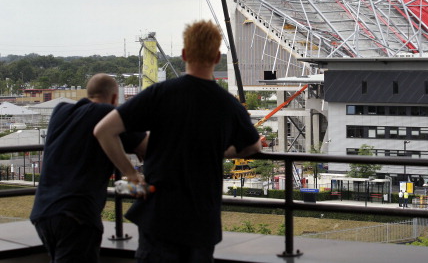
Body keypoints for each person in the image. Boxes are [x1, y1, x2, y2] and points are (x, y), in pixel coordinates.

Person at [94, 20, 262, 263]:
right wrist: (221, 151)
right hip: (202, 220)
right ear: (216, 57)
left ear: (184, 54)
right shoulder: (228, 104)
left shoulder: (159, 94)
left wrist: (130, 174)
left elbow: (103, 130)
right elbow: (253, 147)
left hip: (158, 216)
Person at [30, 74, 148, 263]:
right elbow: (147, 147)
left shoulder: (60, 111)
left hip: (43, 212)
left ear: (88, 93)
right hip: (77, 214)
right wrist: (133, 175)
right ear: (115, 98)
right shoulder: (107, 114)